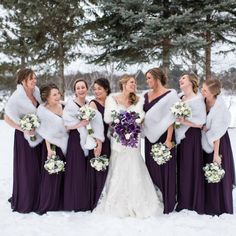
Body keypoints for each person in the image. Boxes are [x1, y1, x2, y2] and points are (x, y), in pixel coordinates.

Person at [95, 74, 161, 218]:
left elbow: (140, 116)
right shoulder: (112, 98)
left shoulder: (139, 99)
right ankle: (118, 203)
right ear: (123, 83)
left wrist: (127, 119)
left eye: (135, 83)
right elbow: (108, 117)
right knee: (118, 166)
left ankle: (138, 201)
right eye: (131, 82)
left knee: (134, 166)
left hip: (133, 140)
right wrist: (125, 119)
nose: (134, 85)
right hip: (117, 139)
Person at [4, 68, 43, 213]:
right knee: (27, 168)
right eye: (31, 78)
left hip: (39, 136)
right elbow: (7, 118)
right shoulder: (16, 98)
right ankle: (27, 199)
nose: (34, 80)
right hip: (24, 138)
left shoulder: (37, 92)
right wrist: (24, 129)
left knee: (38, 166)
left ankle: (39, 197)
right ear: (23, 81)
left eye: (35, 78)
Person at [63, 79, 104, 211]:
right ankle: (75, 201)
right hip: (75, 140)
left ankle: (85, 201)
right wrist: (81, 124)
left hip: (88, 139)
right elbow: (66, 125)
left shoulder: (89, 104)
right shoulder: (70, 105)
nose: (81, 90)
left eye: (83, 87)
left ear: (87, 89)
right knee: (76, 170)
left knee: (86, 170)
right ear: (75, 91)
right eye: (78, 88)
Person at [143, 67, 179, 214]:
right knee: (152, 169)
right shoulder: (145, 95)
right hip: (150, 138)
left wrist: (169, 140)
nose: (147, 81)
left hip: (165, 137)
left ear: (157, 78)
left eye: (149, 78)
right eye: (146, 78)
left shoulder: (171, 95)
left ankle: (169, 202)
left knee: (166, 170)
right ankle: (155, 202)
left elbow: (172, 117)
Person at [201, 79, 234, 215]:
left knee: (215, 169)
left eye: (204, 90)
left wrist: (216, 154)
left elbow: (217, 134)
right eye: (202, 88)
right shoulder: (203, 101)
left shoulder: (219, 108)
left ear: (213, 93)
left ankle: (219, 206)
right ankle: (205, 202)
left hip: (219, 142)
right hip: (205, 140)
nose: (201, 91)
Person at [175, 73, 206, 214]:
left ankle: (192, 201)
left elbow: (200, 123)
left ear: (191, 82)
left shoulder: (198, 99)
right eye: (180, 78)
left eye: (184, 78)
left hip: (192, 137)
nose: (180, 80)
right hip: (180, 137)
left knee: (191, 166)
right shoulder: (180, 98)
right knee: (182, 167)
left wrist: (184, 121)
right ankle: (183, 199)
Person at [36, 83, 68, 214]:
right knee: (52, 173)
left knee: (65, 173)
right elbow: (45, 132)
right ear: (47, 97)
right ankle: (49, 202)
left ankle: (62, 201)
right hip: (52, 146)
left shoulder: (64, 106)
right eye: (54, 95)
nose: (57, 96)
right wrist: (50, 149)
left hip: (66, 143)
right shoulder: (43, 110)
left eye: (58, 94)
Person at [87, 78, 111, 210]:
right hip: (99, 141)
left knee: (110, 168)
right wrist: (98, 143)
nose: (96, 91)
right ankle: (97, 199)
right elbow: (92, 126)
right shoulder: (93, 104)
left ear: (106, 89)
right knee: (100, 169)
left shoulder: (111, 101)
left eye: (99, 89)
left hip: (111, 139)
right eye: (94, 89)